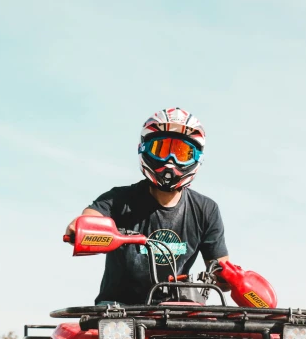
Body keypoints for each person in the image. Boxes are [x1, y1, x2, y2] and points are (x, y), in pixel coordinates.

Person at [65, 108, 229, 304]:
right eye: (161, 150)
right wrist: (81, 227)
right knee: (87, 334)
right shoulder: (119, 199)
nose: (170, 161)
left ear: (197, 158)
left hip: (177, 310)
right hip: (119, 310)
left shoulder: (206, 210)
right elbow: (88, 219)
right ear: (144, 149)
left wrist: (234, 279)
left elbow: (222, 271)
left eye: (181, 153)